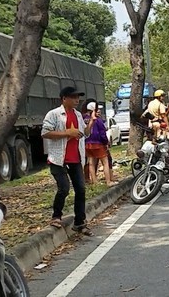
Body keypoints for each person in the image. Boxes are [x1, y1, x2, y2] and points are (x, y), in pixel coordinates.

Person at [41, 86, 95, 236]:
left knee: (81, 190)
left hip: (76, 158)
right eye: (73, 97)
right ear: (64, 98)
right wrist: (67, 132)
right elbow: (45, 133)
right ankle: (56, 216)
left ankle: (80, 222)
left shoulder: (78, 115)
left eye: (78, 97)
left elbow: (84, 134)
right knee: (64, 188)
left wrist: (90, 123)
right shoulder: (54, 114)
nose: (77, 100)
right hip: (58, 158)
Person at [82, 99, 114, 187]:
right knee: (105, 162)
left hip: (87, 144)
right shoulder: (98, 120)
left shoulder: (83, 118)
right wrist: (106, 143)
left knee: (91, 163)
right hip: (98, 144)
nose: (99, 111)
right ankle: (108, 181)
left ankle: (94, 181)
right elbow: (102, 133)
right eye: (97, 109)